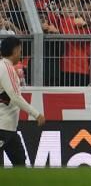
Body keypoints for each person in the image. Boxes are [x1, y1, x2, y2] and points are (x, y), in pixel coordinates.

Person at [1, 36, 45, 167]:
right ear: (14, 50)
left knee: (20, 164)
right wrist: (36, 114)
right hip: (3, 127)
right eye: (20, 50)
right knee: (20, 165)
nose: (20, 54)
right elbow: (15, 96)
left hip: (9, 129)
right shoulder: (7, 68)